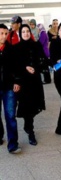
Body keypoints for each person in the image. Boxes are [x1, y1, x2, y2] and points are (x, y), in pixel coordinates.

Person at [14, 24, 47, 146]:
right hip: (24, 82)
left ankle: (28, 125)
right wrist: (25, 68)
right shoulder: (16, 48)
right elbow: (15, 65)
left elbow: (42, 60)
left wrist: (35, 68)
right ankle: (30, 130)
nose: (26, 34)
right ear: (20, 34)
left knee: (34, 106)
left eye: (28, 31)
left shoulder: (36, 45)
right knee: (27, 106)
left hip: (35, 81)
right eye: (23, 32)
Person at [0, 24, 22, 154]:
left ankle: (13, 144)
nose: (4, 36)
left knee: (10, 115)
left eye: (5, 33)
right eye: (1, 33)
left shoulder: (12, 50)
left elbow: (17, 68)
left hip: (9, 87)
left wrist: (17, 81)